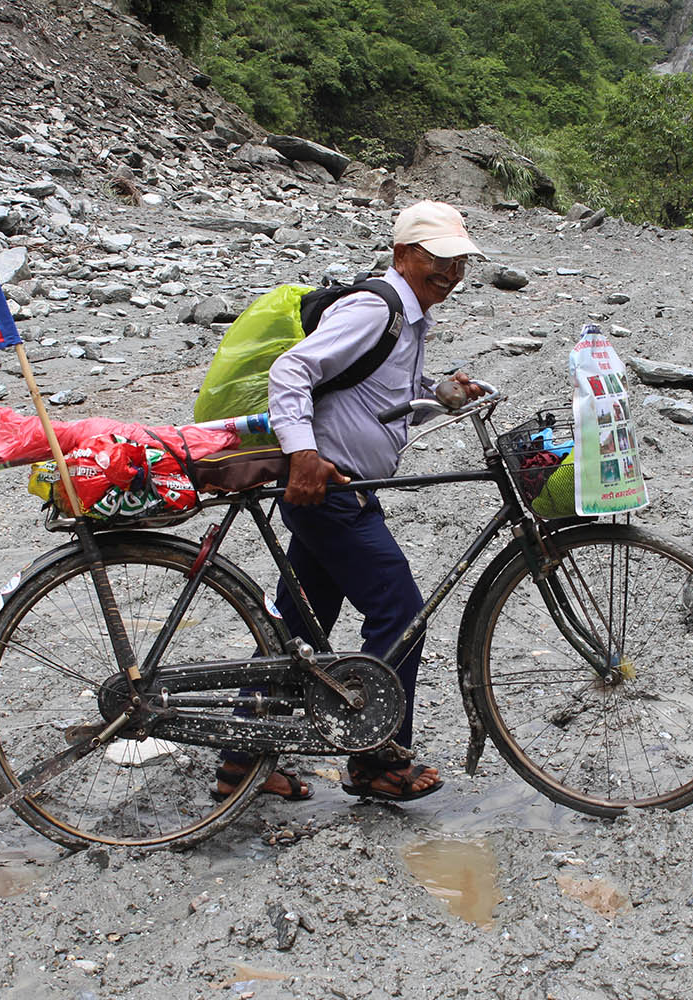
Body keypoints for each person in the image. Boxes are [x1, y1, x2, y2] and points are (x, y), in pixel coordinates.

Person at [210, 201, 485, 804]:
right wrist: (304, 454)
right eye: (437, 258)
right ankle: (377, 759)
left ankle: (240, 762)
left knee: (299, 630)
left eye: (458, 260)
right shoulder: (375, 309)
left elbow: (382, 388)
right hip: (328, 493)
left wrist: (443, 393)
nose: (450, 271)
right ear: (403, 255)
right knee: (400, 611)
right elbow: (292, 372)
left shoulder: (408, 321)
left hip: (345, 491)